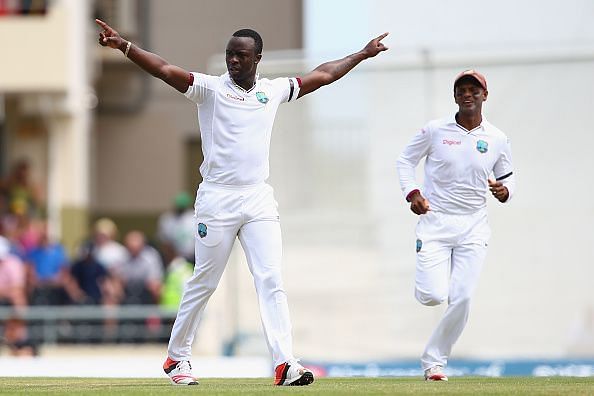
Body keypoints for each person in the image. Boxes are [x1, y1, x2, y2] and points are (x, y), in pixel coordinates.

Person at [96, 18, 388, 386]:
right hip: (217, 198)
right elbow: (165, 70)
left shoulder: (273, 90)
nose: (233, 61)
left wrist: (362, 54)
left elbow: (323, 75)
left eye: (241, 56)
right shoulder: (210, 89)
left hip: (258, 197)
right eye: (230, 55)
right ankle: (176, 357)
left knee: (271, 278)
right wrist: (124, 47)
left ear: (258, 58)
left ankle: (284, 364)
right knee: (205, 280)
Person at [396, 69, 515, 381]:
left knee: (461, 296)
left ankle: (434, 362)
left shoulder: (497, 138)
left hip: (474, 226)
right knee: (433, 295)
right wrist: (413, 194)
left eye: (474, 90)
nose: (468, 94)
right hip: (435, 223)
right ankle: (427, 278)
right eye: (462, 89)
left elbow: (507, 176)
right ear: (455, 96)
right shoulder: (435, 130)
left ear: (484, 96)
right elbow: (404, 161)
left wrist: (505, 192)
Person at [157, 192, 195, 263]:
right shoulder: (167, 219)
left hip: (194, 256)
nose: (180, 209)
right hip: (174, 257)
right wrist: (172, 257)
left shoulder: (194, 217)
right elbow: (164, 242)